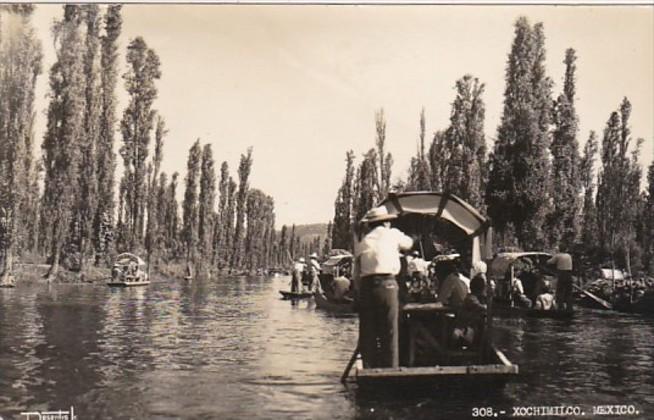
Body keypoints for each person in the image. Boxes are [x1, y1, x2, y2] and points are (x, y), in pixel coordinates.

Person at [355, 206, 413, 368]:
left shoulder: (363, 242)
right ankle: (391, 371)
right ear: (386, 222)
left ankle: (369, 370)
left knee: (368, 333)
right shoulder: (392, 233)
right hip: (388, 285)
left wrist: (359, 296)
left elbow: (356, 274)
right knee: (390, 332)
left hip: (367, 287)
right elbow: (409, 243)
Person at [452, 274, 488, 348]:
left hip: (466, 328)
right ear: (481, 289)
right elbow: (481, 308)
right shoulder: (471, 299)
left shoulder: (472, 298)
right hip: (464, 330)